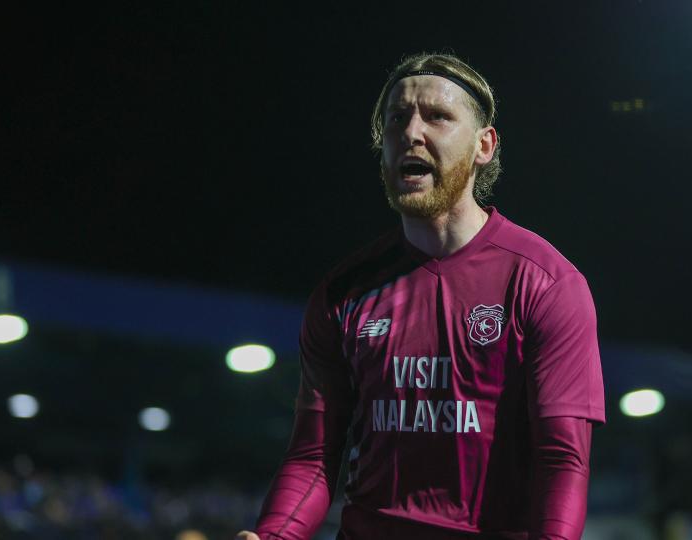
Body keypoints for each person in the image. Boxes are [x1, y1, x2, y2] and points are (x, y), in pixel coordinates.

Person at [236, 52, 605, 540]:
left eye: (437, 116)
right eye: (396, 118)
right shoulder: (342, 294)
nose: (411, 132)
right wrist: (273, 536)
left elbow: (562, 460)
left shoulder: (547, 283)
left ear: (484, 145)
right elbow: (313, 456)